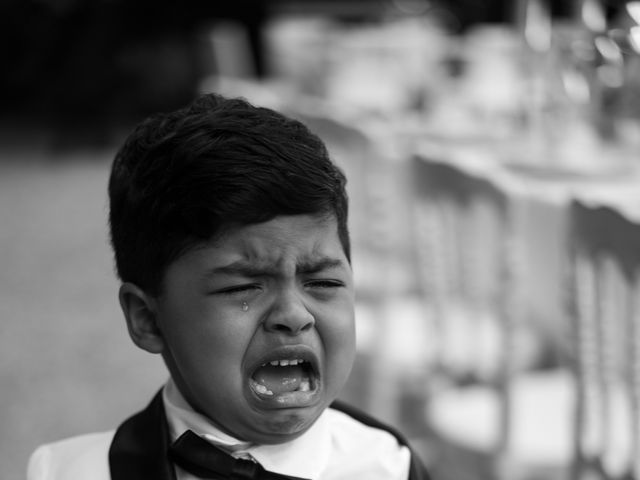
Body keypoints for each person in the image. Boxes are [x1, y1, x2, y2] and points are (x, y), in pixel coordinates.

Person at [26, 93, 432, 480]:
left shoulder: (390, 466)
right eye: (243, 289)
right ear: (147, 319)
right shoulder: (67, 471)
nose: (293, 315)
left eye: (323, 281)